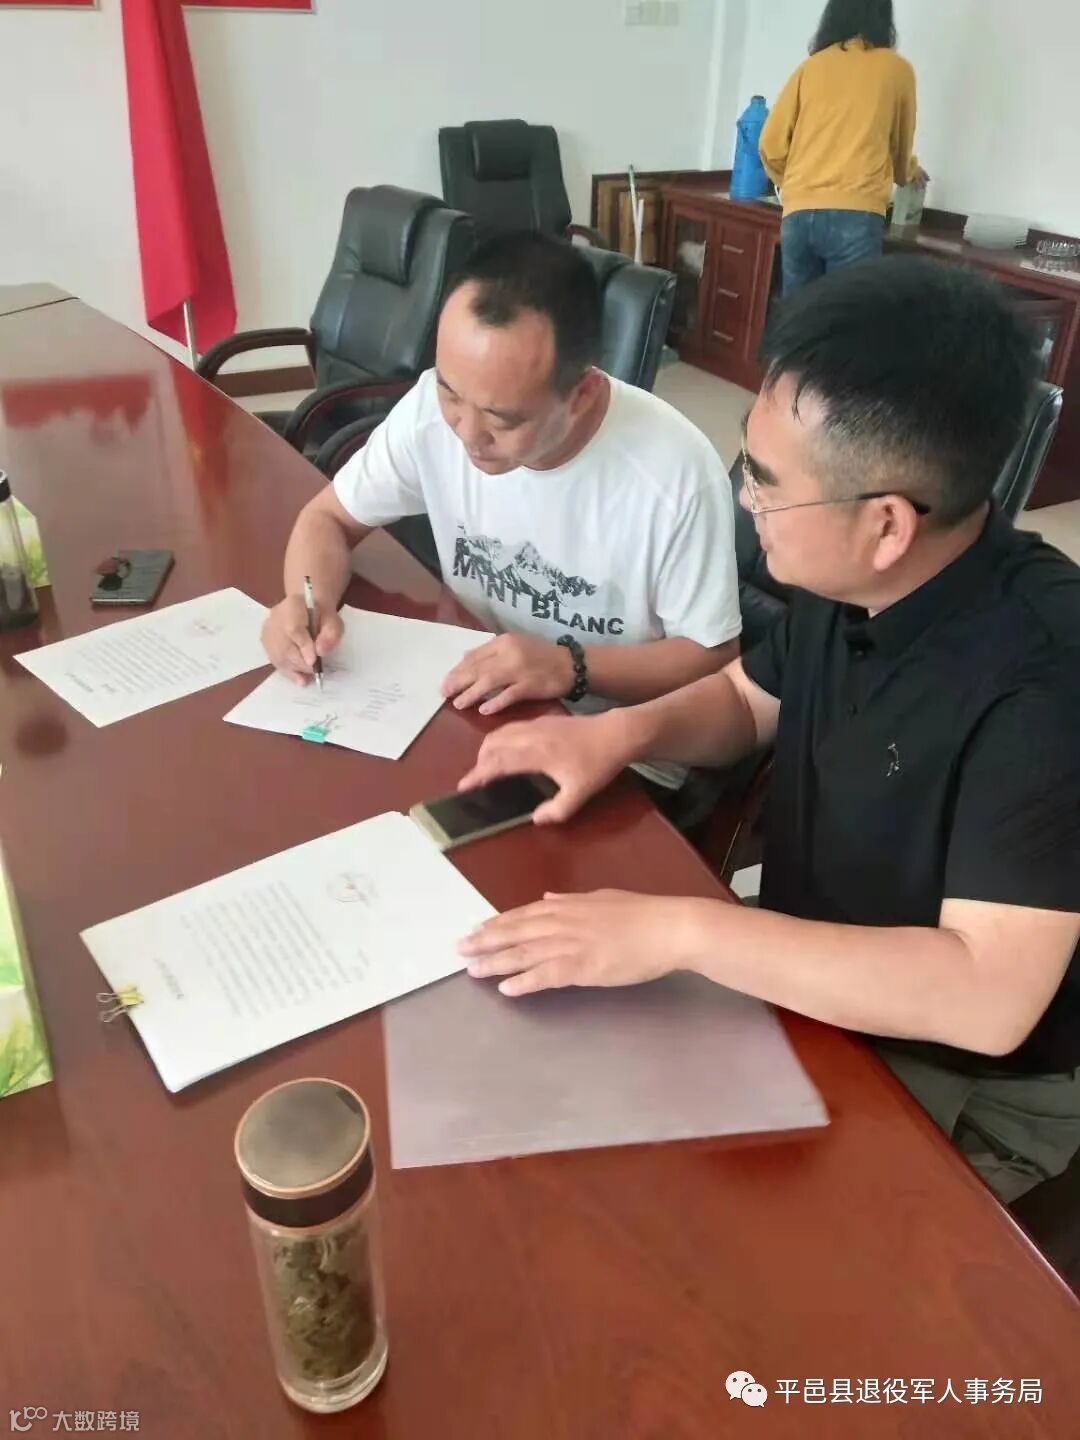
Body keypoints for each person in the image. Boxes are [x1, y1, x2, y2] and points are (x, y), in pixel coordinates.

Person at [456, 256, 1080, 1204]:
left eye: (764, 480)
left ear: (886, 525)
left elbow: (986, 997)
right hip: (805, 976)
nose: (745, 500)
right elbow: (749, 700)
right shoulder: (850, 572)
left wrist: (687, 930)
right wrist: (616, 736)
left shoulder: (1045, 678)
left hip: (966, 1079)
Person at [262, 232, 741, 795]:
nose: (467, 433)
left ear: (582, 394)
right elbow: (327, 520)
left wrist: (567, 666)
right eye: (450, 393)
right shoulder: (429, 414)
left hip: (613, 751)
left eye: (502, 419)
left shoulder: (673, 476)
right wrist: (306, 604)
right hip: (471, 704)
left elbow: (712, 658)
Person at [760, 0, 927, 294]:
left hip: (798, 212)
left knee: (799, 316)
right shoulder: (897, 70)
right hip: (856, 214)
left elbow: (770, 145)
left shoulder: (811, 68)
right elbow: (900, 150)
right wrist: (908, 172)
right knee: (845, 317)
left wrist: (797, 184)